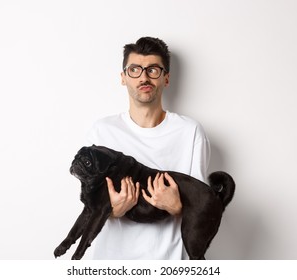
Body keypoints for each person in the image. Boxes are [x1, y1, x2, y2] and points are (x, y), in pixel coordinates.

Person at [86, 36, 210, 259]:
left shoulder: (189, 132)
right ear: (123, 78)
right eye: (134, 69)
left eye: (153, 70)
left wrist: (177, 207)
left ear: (166, 78)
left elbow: (202, 207)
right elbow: (90, 204)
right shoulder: (103, 131)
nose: (143, 77)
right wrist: (112, 210)